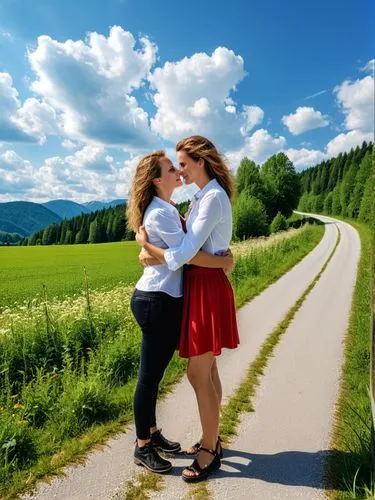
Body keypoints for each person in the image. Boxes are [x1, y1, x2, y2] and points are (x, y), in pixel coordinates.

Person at [136, 136, 240, 482]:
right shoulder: (203, 197)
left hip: (205, 287)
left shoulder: (211, 197)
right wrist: (221, 262)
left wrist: (146, 245)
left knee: (199, 374)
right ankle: (212, 438)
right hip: (201, 284)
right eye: (176, 165)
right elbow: (190, 249)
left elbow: (183, 253)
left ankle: (210, 450)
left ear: (201, 161)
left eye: (183, 163)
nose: (180, 170)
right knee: (207, 373)